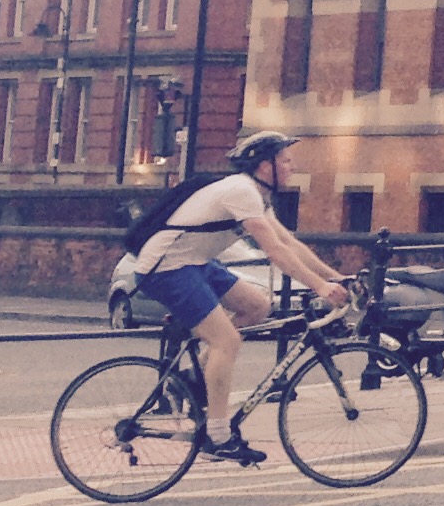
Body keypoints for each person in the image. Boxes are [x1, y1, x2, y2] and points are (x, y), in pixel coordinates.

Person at [127, 130, 351, 462]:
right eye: (285, 161)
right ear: (265, 166)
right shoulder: (241, 191)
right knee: (227, 341)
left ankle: (192, 382)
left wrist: (333, 276)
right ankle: (218, 439)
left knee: (258, 305)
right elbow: (273, 250)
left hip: (195, 263)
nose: (291, 168)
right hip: (166, 268)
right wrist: (319, 288)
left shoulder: (258, 196)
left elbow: (289, 243)